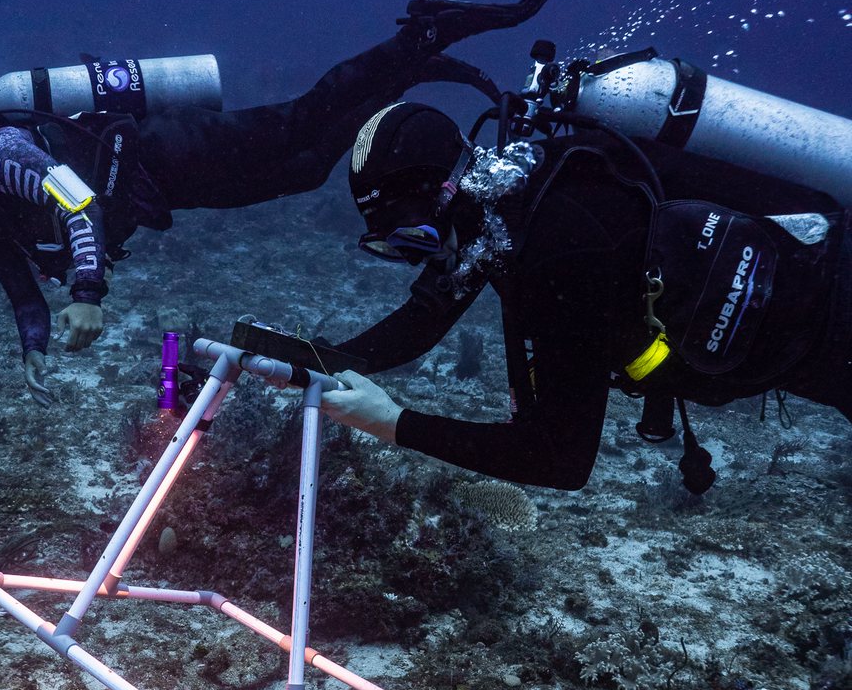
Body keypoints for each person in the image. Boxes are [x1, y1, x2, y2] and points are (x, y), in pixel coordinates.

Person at [0, 0, 589, 408]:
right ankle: (409, 64)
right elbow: (21, 290)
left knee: (301, 126)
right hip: (167, 187)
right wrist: (33, 349)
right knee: (305, 168)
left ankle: (421, 37)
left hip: (166, 153)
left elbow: (75, 200)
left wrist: (87, 293)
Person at [319, 101, 852, 491]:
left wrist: (390, 422)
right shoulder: (508, 199)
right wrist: (314, 359)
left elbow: (558, 459)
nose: (419, 260)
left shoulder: (557, 250)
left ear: (448, 191)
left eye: (416, 239)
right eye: (392, 248)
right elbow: (426, 316)